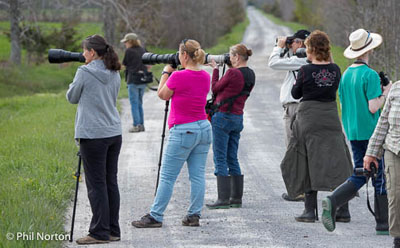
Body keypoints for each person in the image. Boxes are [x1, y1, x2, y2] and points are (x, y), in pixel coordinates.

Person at [131, 39, 211, 228]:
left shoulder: (178, 77)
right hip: (204, 128)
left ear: (184, 55)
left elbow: (162, 94)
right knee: (198, 175)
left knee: (167, 176)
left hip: (184, 130)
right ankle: (194, 215)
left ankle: (156, 216)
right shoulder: (205, 76)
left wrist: (167, 71)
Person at [321, 29, 392, 235]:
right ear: (369, 50)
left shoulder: (346, 75)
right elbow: (373, 106)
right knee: (379, 175)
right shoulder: (369, 74)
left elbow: (343, 102)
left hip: (352, 130)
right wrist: (385, 94)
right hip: (371, 131)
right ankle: (383, 223)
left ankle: (334, 200)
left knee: (361, 171)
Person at [280, 30, 353, 223]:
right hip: (330, 116)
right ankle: (343, 209)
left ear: (311, 49)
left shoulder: (305, 70)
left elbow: (295, 94)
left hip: (309, 117)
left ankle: (310, 211)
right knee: (337, 159)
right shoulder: (336, 69)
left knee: (306, 158)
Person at [66, 35, 122, 245]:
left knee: (96, 185)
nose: (82, 54)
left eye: (84, 51)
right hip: (114, 133)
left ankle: (99, 232)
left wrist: (76, 80)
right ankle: (113, 230)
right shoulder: (114, 70)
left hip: (93, 135)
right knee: (110, 182)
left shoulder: (84, 72)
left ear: (91, 52)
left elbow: (71, 97)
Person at [205, 44, 255, 209]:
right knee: (232, 156)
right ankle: (236, 198)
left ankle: (223, 199)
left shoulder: (233, 73)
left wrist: (215, 70)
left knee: (220, 157)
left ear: (237, 57)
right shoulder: (250, 74)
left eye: (232, 56)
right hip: (237, 117)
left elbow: (215, 88)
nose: (230, 58)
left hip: (223, 117)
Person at [268, 29, 310, 202]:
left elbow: (273, 63)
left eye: (293, 42)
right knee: (301, 148)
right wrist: (287, 48)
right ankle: (303, 188)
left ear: (299, 43)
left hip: (294, 108)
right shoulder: (304, 59)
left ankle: (297, 190)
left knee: (293, 149)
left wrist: (278, 47)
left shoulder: (299, 60)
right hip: (300, 107)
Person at [363, 81, 400, 248]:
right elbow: (383, 121)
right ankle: (398, 238)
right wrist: (371, 152)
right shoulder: (396, 88)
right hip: (394, 149)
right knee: (396, 196)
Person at [121, 32, 149, 133]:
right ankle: (141, 124)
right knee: (139, 103)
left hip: (133, 79)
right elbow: (149, 64)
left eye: (126, 42)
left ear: (130, 42)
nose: (125, 44)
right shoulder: (143, 50)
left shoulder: (129, 51)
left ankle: (136, 125)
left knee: (134, 103)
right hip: (143, 79)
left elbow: (124, 65)